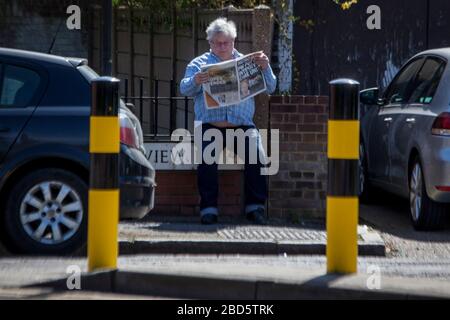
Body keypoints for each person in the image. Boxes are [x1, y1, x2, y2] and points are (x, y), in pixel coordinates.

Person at [180, 17, 277, 225]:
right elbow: (184, 89)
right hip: (210, 126)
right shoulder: (199, 64)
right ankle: (208, 209)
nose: (222, 46)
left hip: (241, 126)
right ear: (210, 43)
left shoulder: (248, 61)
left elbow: (271, 87)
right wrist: (196, 80)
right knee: (206, 160)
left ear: (234, 41)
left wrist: (266, 67)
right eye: (217, 43)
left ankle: (255, 208)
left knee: (258, 156)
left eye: (226, 42)